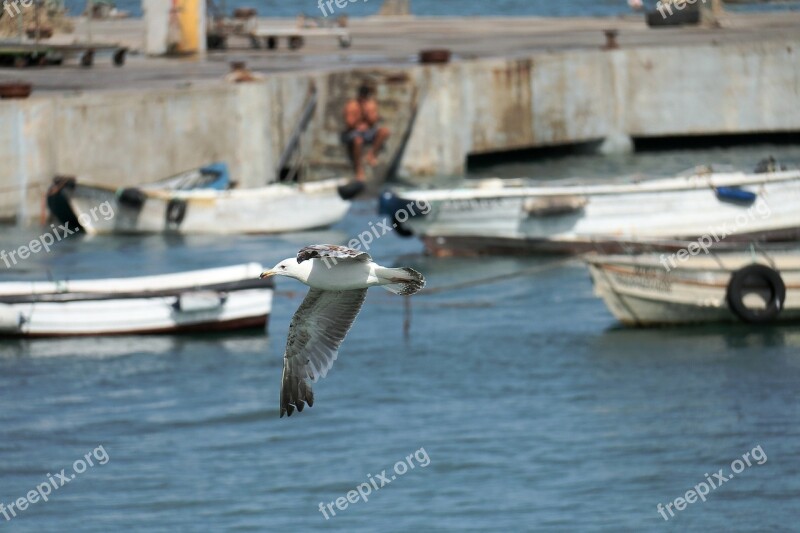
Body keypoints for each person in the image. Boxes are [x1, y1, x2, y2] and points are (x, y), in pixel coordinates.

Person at [342, 84, 391, 182]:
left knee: (385, 131)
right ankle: (359, 170)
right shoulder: (351, 105)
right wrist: (358, 123)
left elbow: (373, 121)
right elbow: (349, 123)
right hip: (354, 131)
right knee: (358, 141)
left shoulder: (371, 105)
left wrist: (366, 113)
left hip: (368, 131)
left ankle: (372, 154)